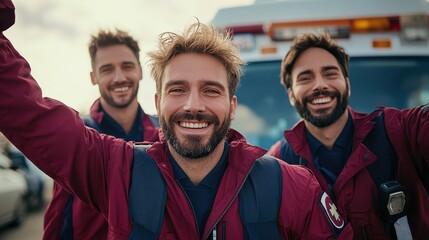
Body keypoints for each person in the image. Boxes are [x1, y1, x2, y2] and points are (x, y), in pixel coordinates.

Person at [0, 2, 353, 238]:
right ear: (158, 102)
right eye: (178, 89)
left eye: (211, 91)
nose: (193, 105)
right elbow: (28, 113)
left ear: (232, 106)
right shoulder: (115, 170)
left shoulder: (294, 188)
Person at [267, 32, 429, 240]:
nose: (319, 85)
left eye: (330, 74)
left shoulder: (398, 131)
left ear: (347, 84)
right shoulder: (277, 164)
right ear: (291, 94)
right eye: (306, 78)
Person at [43, 29, 160, 239]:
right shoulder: (78, 138)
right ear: (93, 77)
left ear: (141, 71)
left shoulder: (163, 134)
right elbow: (59, 219)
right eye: (107, 69)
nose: (119, 77)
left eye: (127, 66)